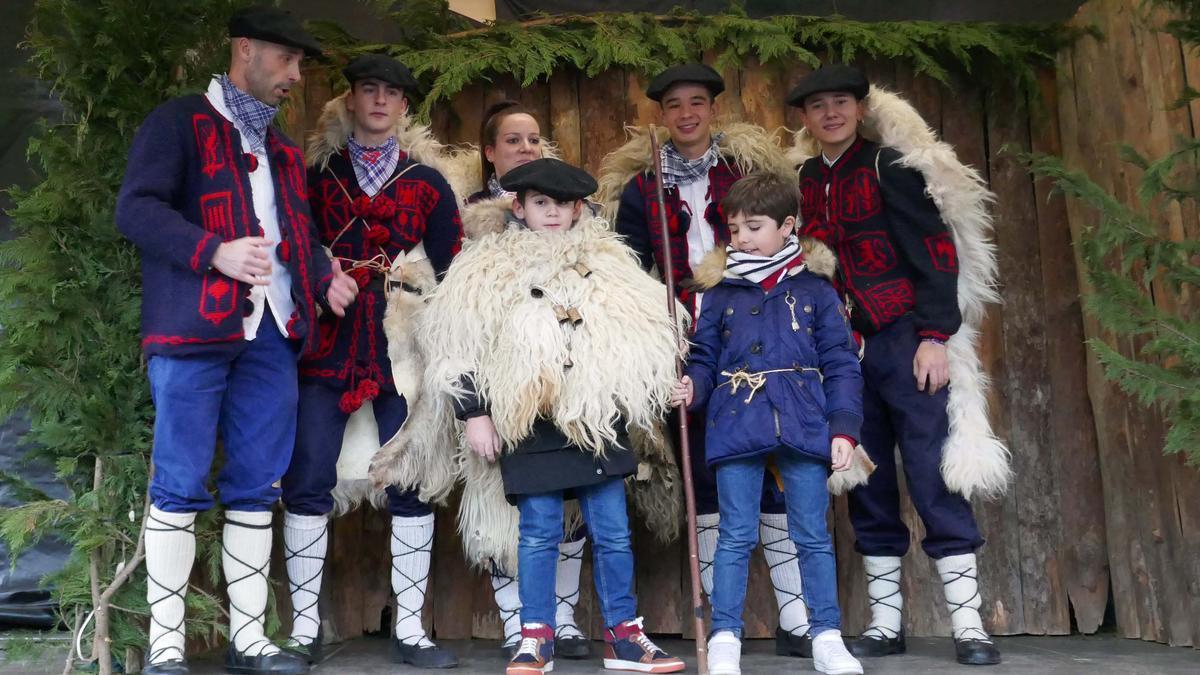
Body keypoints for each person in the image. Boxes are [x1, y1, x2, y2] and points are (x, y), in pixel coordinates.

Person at [370, 158, 686, 675]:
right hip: (528, 418)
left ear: (579, 207)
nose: (554, 214)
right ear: (518, 206)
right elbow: (455, 349)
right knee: (538, 530)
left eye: (564, 204)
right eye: (541, 204)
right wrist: (475, 414)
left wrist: (659, 378)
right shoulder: (487, 266)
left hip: (594, 416)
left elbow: (649, 328)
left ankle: (626, 638)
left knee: (612, 529)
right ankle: (534, 636)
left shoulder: (609, 261)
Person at [114, 7, 357, 675]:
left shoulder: (281, 147)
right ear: (244, 49)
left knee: (257, 483)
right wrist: (211, 251)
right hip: (193, 331)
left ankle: (249, 640)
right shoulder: (178, 121)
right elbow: (134, 208)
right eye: (286, 59)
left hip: (272, 334)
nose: (295, 75)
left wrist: (321, 274)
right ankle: (166, 648)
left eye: (301, 65)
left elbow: (296, 232)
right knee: (179, 481)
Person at [786, 64, 1008, 666]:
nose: (830, 113)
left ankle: (970, 627)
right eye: (817, 106)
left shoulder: (888, 167)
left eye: (841, 102)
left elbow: (936, 254)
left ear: (861, 109)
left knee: (934, 473)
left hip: (904, 339)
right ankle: (887, 625)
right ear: (804, 119)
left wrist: (934, 336)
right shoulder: (802, 180)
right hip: (841, 351)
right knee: (867, 480)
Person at [598, 63, 817, 657]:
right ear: (662, 115)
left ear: (713, 109)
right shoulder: (645, 188)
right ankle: (723, 623)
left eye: (698, 102)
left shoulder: (743, 171)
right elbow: (631, 265)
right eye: (675, 104)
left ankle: (798, 617)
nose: (687, 113)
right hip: (687, 333)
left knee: (772, 459)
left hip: (755, 323)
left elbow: (787, 241)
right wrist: (660, 320)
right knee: (706, 465)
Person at [278, 54, 462, 669]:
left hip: (401, 347)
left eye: (392, 93)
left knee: (408, 475)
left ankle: (410, 631)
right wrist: (320, 276)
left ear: (404, 107)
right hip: (326, 344)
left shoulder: (429, 184)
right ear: (351, 100)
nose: (380, 101)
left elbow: (455, 272)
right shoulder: (314, 176)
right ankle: (306, 631)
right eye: (368, 90)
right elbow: (292, 250)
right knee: (307, 475)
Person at [671, 173, 864, 675]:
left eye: (753, 226)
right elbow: (705, 357)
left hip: (803, 421)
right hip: (737, 420)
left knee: (813, 535)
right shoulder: (716, 293)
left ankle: (826, 635)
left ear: (787, 226)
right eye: (733, 229)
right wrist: (693, 386)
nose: (741, 238)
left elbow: (841, 361)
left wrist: (842, 427)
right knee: (735, 533)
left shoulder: (815, 291)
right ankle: (725, 639)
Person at [460, 100, 593, 659]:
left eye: (534, 138)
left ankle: (559, 619)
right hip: (499, 381)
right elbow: (460, 317)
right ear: (490, 152)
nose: (526, 148)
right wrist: (473, 406)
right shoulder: (472, 217)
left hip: (566, 380)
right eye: (512, 140)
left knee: (570, 502)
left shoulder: (571, 210)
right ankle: (521, 621)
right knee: (503, 502)